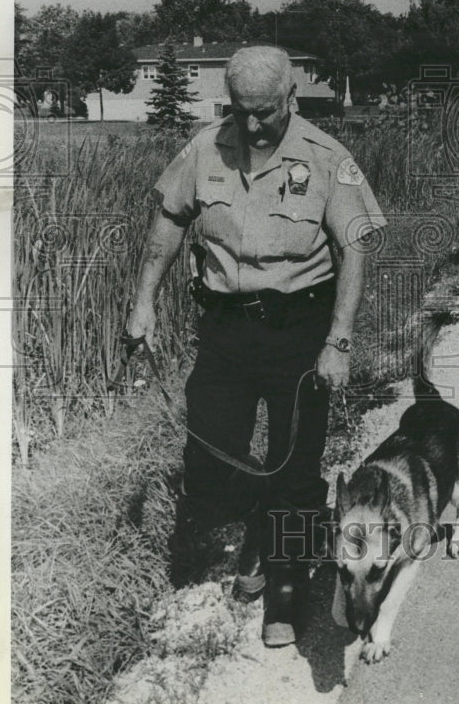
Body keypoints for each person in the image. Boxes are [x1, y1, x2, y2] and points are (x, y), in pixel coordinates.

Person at [126, 46, 386, 647]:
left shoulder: (327, 158)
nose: (251, 125)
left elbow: (355, 250)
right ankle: (262, 528)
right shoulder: (203, 148)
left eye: (264, 112)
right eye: (239, 110)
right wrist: (142, 302)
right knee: (210, 461)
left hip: (300, 330)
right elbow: (169, 219)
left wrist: (338, 342)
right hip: (225, 328)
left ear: (290, 98)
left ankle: (286, 592)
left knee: (297, 472)